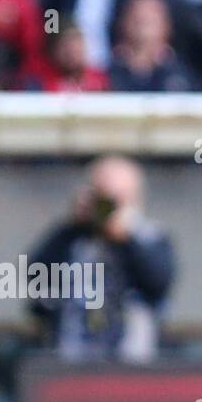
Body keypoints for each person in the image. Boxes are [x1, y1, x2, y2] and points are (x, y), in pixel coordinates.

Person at [27, 155, 175, 362]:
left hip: (131, 359)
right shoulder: (73, 236)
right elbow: (35, 279)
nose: (106, 208)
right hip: (72, 357)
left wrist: (124, 237)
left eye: (115, 199)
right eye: (101, 198)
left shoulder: (149, 236)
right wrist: (72, 227)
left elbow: (158, 283)